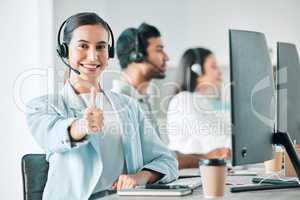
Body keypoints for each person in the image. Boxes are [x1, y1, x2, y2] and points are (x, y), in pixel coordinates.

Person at [26, 13, 177, 200]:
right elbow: (53, 135)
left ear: (109, 52)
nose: (93, 55)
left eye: (101, 47)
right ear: (64, 51)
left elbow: (167, 161)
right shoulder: (43, 106)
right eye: (83, 46)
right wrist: (82, 126)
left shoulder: (128, 106)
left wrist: (140, 177)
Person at [113, 23, 230, 169]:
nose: (166, 57)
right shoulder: (119, 103)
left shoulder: (143, 100)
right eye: (159, 50)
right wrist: (207, 157)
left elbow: (160, 155)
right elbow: (149, 160)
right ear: (137, 56)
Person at [167, 47, 231, 156]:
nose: (219, 72)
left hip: (202, 169)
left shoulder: (201, 101)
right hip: (188, 170)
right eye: (213, 67)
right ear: (197, 70)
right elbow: (216, 141)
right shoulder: (184, 101)